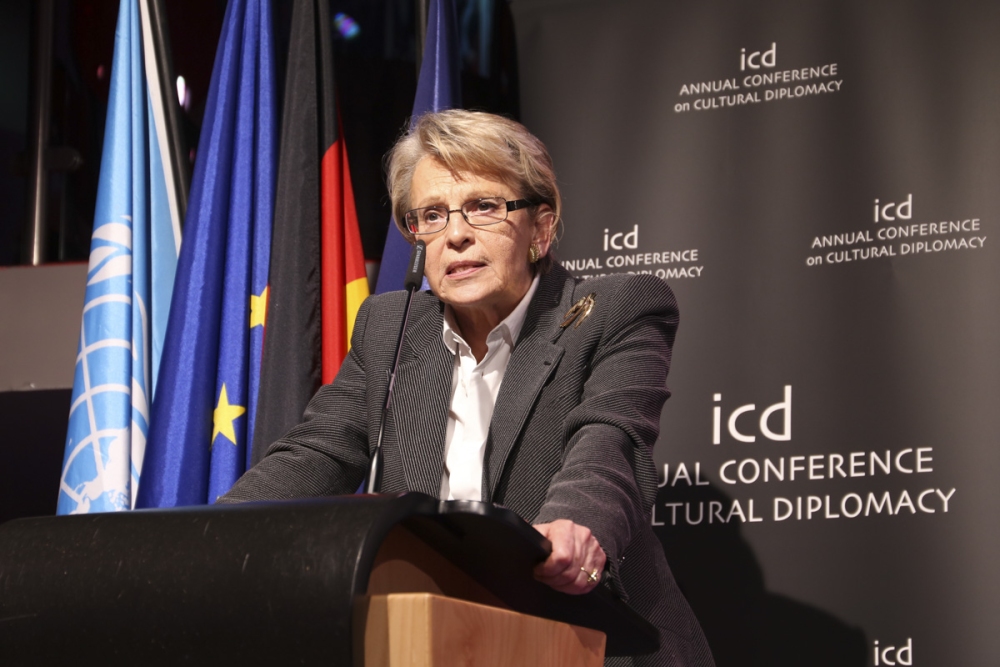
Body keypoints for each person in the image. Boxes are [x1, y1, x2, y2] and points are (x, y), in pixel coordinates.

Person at [220, 109, 714, 666]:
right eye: (432, 215)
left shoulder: (615, 311)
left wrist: (575, 525)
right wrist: (213, 532)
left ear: (540, 228)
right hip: (435, 643)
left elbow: (609, 442)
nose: (455, 235)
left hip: (595, 642)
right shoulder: (391, 328)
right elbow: (318, 451)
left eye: (484, 206)